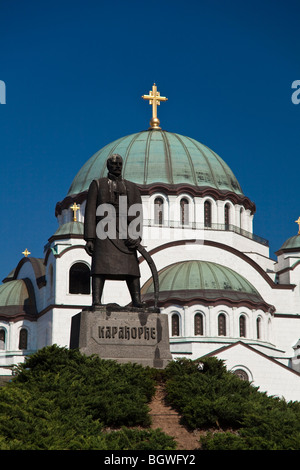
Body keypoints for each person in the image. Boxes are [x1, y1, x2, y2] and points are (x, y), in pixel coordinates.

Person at [84, 154, 145, 308]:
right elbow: (91, 211)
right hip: (103, 231)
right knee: (99, 267)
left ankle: (136, 300)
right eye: (113, 163)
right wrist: (90, 238)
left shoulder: (131, 187)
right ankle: (96, 300)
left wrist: (136, 236)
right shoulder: (98, 184)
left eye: (119, 164)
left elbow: (137, 212)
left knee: (132, 267)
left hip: (125, 233)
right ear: (107, 165)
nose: (117, 166)